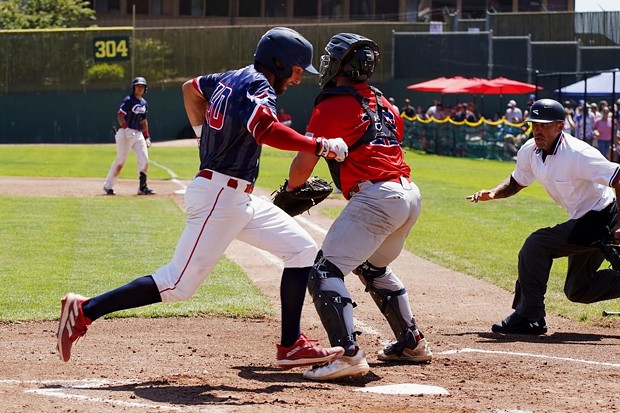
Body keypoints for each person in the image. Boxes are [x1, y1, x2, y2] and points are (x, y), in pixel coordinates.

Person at [56, 27, 348, 369]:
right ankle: (85, 310)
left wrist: (201, 135)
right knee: (177, 284)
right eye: (298, 71)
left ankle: (290, 345)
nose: (299, 79)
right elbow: (266, 130)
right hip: (220, 197)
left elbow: (190, 89)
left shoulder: (229, 77)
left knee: (301, 249)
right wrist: (320, 145)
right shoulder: (259, 85)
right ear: (279, 63)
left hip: (237, 198)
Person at [284, 32, 432, 381]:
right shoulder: (385, 103)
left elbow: (304, 164)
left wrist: (291, 190)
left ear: (340, 65)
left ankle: (347, 355)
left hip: (378, 197)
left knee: (324, 271)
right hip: (408, 194)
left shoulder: (332, 104)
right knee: (372, 268)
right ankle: (411, 342)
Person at [467, 99, 620, 335]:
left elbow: (618, 177)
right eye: (534, 124)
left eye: (544, 125)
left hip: (600, 216)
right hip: (582, 218)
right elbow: (518, 180)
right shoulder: (530, 150)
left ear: (559, 126)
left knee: (536, 245)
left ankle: (530, 317)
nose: (538, 129)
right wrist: (494, 193)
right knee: (578, 290)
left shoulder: (578, 154)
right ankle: (530, 315)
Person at [103, 76, 155, 196]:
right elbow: (120, 115)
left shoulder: (144, 103)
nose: (140, 88)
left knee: (144, 159)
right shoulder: (128, 100)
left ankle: (143, 187)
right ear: (133, 88)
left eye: (142, 86)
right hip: (125, 133)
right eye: (138, 86)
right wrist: (126, 128)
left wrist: (147, 136)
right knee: (121, 160)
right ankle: (108, 186)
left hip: (138, 134)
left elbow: (144, 121)